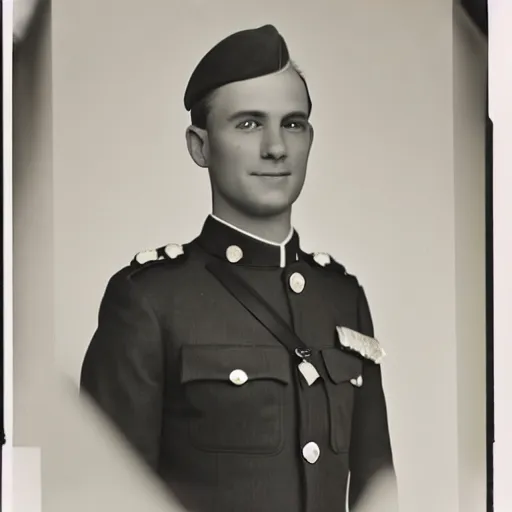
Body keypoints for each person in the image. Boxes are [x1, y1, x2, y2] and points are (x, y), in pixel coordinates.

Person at [80, 24, 397, 512]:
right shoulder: (149, 300)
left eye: (292, 124)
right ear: (200, 146)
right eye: (248, 124)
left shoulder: (342, 297)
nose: (276, 147)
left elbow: (379, 487)